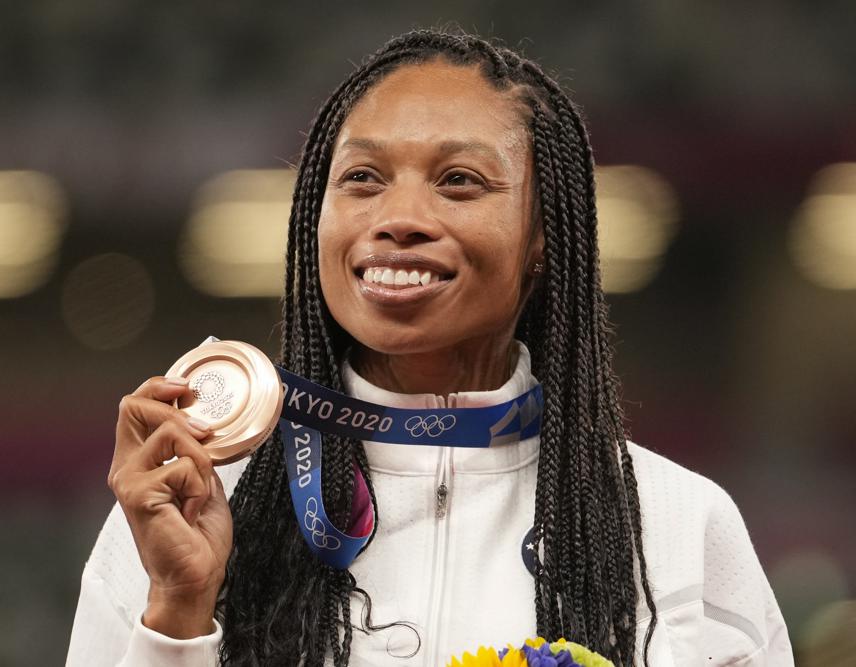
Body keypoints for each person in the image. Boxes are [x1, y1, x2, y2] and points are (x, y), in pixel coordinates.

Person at [66, 29, 793, 666]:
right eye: (361, 178)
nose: (399, 218)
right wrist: (178, 611)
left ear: (544, 236)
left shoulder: (675, 522)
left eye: (459, 181)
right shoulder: (194, 503)